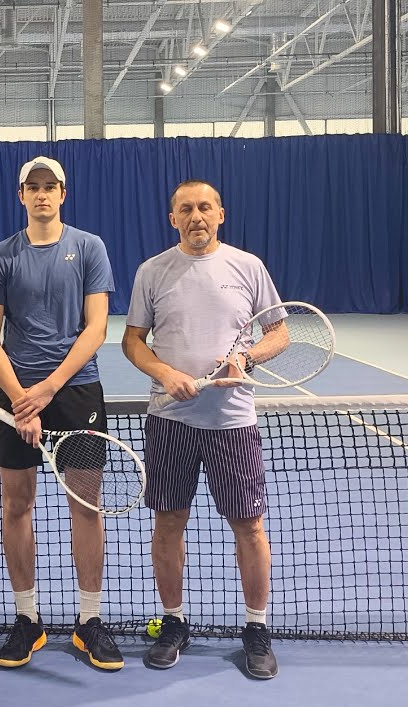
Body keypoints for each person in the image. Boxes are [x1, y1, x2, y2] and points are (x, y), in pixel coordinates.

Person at [121, 178, 282, 680]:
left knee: (249, 525)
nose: (197, 216)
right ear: (173, 219)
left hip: (233, 421)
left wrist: (246, 359)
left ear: (220, 214)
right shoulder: (152, 271)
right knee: (168, 523)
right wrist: (164, 372)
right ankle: (174, 622)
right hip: (170, 421)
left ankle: (256, 627)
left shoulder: (248, 266)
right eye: (186, 209)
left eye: (205, 207)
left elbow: (279, 332)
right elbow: (132, 341)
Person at [0, 156, 121, 671]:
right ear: (21, 196)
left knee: (86, 505)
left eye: (49, 186)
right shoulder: (0, 257)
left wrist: (48, 389)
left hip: (76, 393)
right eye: (32, 187)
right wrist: (21, 398)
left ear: (63, 194)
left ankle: (89, 622)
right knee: (16, 505)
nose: (41, 194)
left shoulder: (89, 248)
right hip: (14, 397)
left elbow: (96, 328)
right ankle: (27, 619)